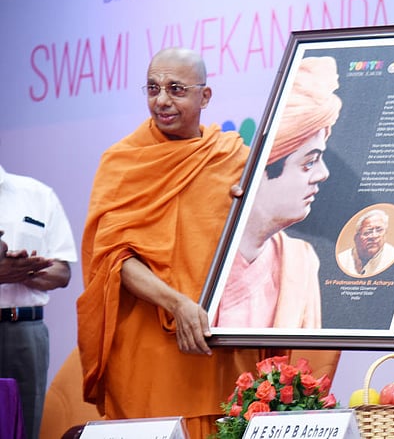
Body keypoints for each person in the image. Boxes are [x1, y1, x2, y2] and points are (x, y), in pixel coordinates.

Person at [76, 48, 270, 437]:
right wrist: (176, 303)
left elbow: (269, 245)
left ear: (205, 96)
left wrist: (257, 207)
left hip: (220, 349)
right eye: (153, 88)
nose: (161, 100)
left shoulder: (234, 158)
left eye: (176, 89)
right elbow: (112, 260)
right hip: (150, 352)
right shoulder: (124, 162)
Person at [213, 56, 341, 329]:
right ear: (261, 171)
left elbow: (308, 366)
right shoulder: (205, 252)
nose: (323, 174)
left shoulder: (301, 260)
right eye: (308, 162)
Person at [0, 167, 76, 439]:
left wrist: (22, 269)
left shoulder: (37, 194)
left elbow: (62, 272)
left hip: (25, 330)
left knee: (25, 427)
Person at [336, 208, 394, 277]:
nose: (374, 236)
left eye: (379, 230)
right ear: (356, 238)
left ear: (385, 234)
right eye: (368, 232)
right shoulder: (342, 259)